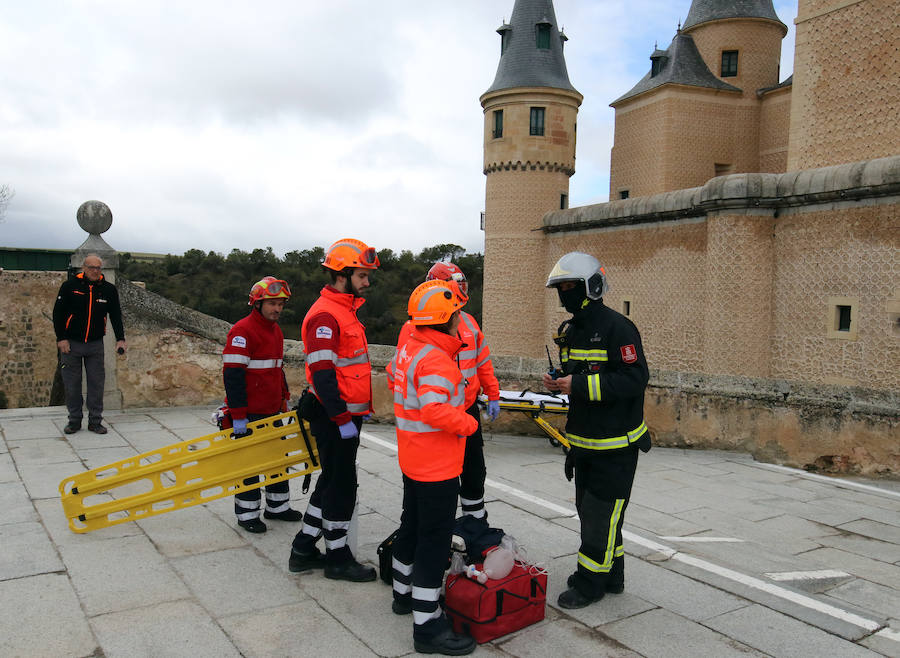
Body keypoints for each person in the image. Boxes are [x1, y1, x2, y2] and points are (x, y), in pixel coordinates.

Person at [542, 252, 651, 610]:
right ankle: (613, 574)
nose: (565, 295)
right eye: (561, 288)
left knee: (600, 516)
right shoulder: (573, 330)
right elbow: (579, 373)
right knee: (594, 515)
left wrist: (577, 384)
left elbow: (634, 379)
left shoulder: (619, 328)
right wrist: (559, 381)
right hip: (584, 443)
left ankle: (590, 583)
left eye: (570, 287)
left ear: (593, 286)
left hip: (616, 446)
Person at [387, 279, 477, 656]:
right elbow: (434, 409)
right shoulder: (437, 359)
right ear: (446, 319)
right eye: (457, 314)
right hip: (437, 464)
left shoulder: (411, 348)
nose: (461, 321)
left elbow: (395, 378)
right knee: (434, 540)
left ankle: (402, 595)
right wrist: (468, 424)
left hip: (413, 457)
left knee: (411, 526)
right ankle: (427, 626)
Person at [289, 238, 379, 582]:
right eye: (362, 275)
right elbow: (324, 373)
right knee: (342, 486)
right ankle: (338, 558)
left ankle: (303, 547)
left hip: (344, 415)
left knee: (330, 481)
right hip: (333, 416)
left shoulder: (344, 310)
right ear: (342, 275)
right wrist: (343, 418)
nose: (367, 282)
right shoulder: (326, 315)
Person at [222, 276, 302, 533]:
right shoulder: (242, 331)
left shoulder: (275, 330)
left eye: (281, 304)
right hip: (250, 412)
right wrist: (238, 416)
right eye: (272, 304)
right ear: (257, 303)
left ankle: (277, 508)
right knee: (250, 464)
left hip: (272, 410)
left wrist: (284, 399)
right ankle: (247, 515)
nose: (277, 309)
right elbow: (232, 376)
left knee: (277, 460)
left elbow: (277, 370)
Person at [424, 262, 500, 520]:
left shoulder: (468, 322)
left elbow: (483, 363)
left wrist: (493, 394)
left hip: (467, 409)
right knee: (441, 475)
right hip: (440, 413)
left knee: (474, 470)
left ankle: (475, 521)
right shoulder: (424, 325)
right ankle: (437, 524)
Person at [52, 254, 126, 435]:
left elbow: (115, 315)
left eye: (98, 268)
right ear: (84, 268)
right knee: (72, 385)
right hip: (71, 343)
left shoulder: (108, 289)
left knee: (96, 384)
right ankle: (74, 421)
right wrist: (61, 339)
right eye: (91, 267)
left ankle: (95, 421)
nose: (95, 271)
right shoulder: (70, 286)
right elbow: (58, 314)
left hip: (95, 344)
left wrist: (120, 339)